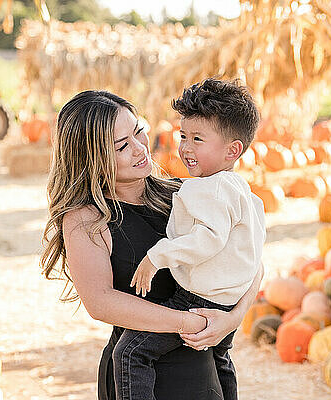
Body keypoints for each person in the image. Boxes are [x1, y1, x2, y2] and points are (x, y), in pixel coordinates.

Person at [41, 89, 264, 400]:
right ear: (90, 157)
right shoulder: (86, 219)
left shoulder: (186, 193)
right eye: (122, 146)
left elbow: (251, 259)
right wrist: (189, 322)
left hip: (202, 376)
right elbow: (99, 301)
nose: (139, 149)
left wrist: (232, 318)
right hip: (137, 377)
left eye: (138, 132)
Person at [113, 78, 266, 400]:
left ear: (232, 149)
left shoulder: (207, 188)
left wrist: (158, 255)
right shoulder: (242, 191)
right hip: (225, 300)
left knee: (130, 354)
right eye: (184, 136)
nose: (186, 147)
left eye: (198, 139)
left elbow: (207, 239)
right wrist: (234, 313)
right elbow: (254, 252)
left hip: (199, 297)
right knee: (221, 358)